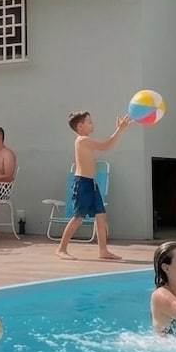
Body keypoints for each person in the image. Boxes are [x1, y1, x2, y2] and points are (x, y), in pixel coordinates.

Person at [56, 110, 132, 260]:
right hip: (82, 183)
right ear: (80, 126)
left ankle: (103, 251)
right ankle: (61, 248)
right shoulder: (82, 140)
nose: (92, 124)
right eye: (89, 122)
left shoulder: (86, 141)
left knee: (101, 216)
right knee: (78, 217)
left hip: (91, 183)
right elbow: (106, 145)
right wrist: (120, 129)